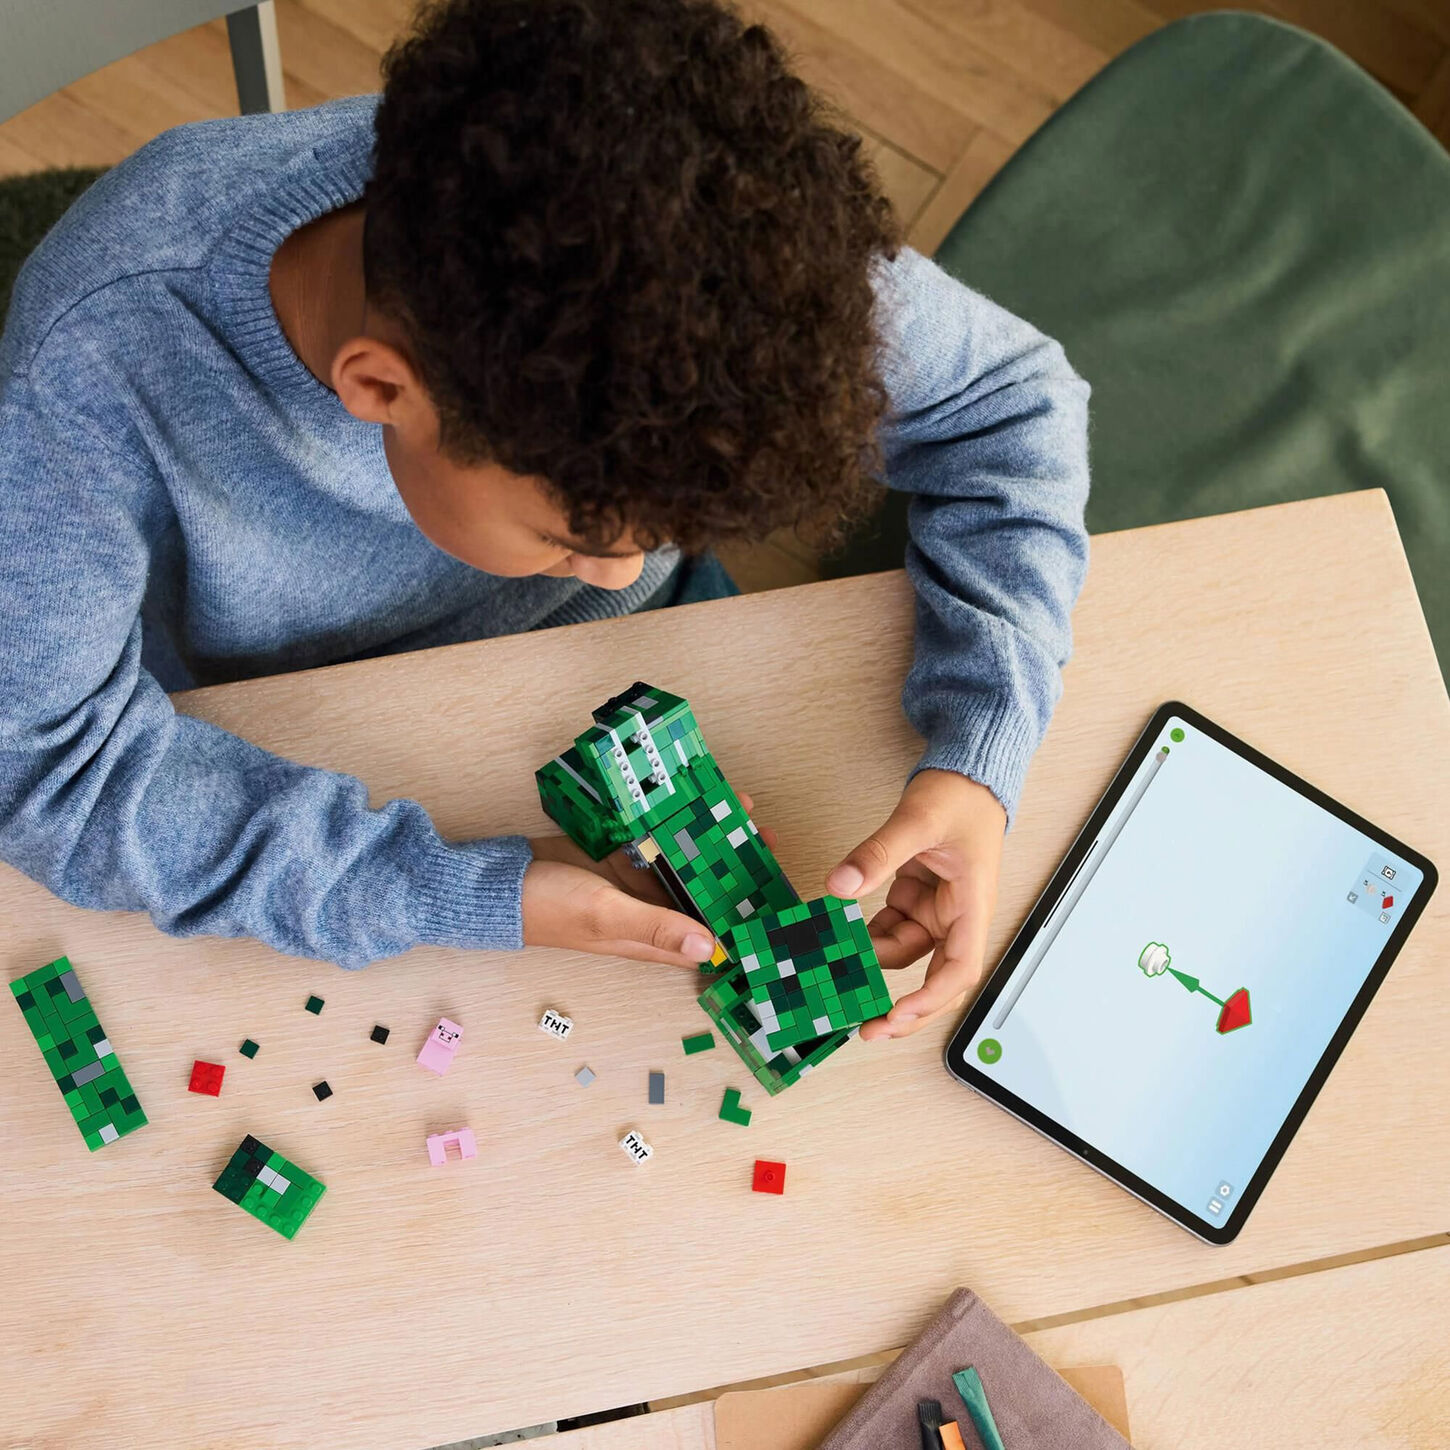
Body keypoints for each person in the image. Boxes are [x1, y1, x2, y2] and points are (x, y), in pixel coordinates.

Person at [0, 0, 1088, 1042]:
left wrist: (980, 747)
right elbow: (51, 773)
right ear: (381, 387)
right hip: (278, 747)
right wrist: (466, 891)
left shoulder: (713, 235)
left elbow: (1014, 401)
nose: (619, 573)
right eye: (580, 537)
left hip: (636, 678)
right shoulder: (89, 365)